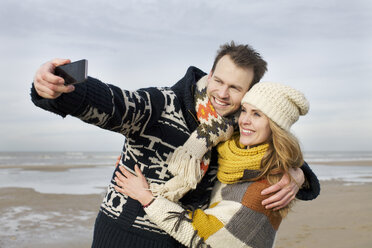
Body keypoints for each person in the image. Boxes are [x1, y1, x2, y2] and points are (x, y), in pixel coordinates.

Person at [30, 41, 319, 247]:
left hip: (185, 239)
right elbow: (117, 104)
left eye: (235, 88)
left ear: (249, 94)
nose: (222, 93)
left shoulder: (235, 131)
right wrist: (59, 89)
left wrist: (299, 173)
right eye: (218, 80)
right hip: (125, 238)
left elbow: (270, 149)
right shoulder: (163, 104)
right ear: (209, 74)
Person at [114, 82, 312, 248]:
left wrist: (146, 197)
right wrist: (141, 158)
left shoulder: (265, 189)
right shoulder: (233, 151)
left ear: (276, 127)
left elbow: (200, 235)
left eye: (257, 115)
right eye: (244, 110)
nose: (244, 121)